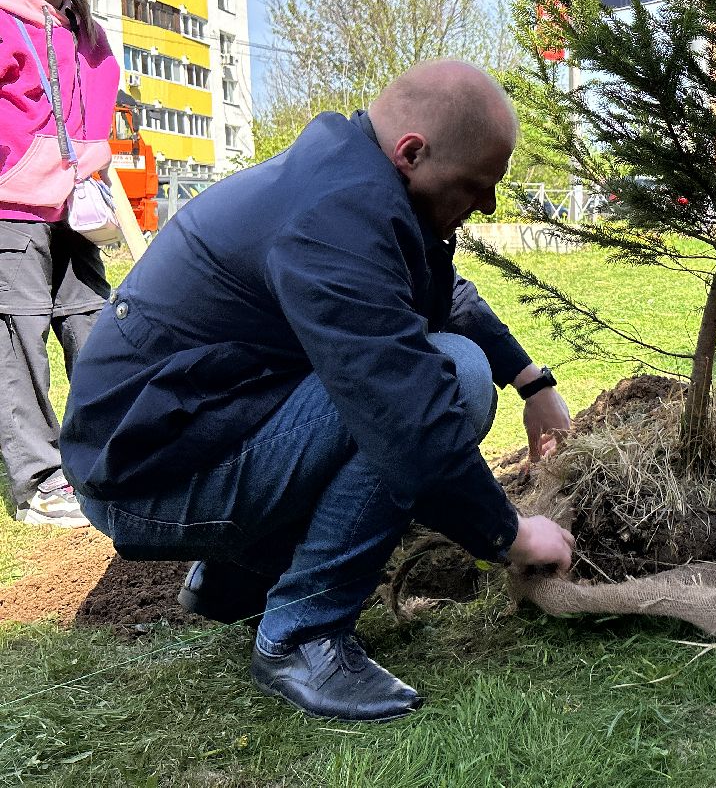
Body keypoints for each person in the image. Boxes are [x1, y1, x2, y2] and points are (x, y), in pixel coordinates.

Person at [61, 61, 575, 722]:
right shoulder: (336, 216)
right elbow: (405, 417)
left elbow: (437, 296)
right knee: (450, 379)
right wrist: (509, 534)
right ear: (411, 153)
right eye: (478, 185)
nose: (487, 206)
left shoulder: (355, 177)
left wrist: (533, 382)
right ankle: (302, 638)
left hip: (176, 432)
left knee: (437, 369)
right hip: (144, 477)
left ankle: (237, 582)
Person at [0, 0, 120, 527]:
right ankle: (40, 483)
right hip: (12, 211)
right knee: (18, 337)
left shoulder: (86, 31)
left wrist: (90, 161)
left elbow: (94, 106)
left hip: (75, 210)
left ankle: (103, 458)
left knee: (93, 325)